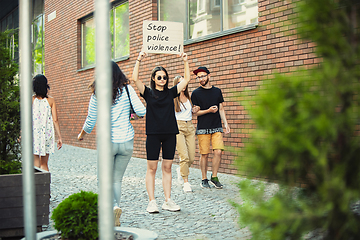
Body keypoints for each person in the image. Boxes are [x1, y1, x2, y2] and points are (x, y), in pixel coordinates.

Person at [77, 61, 146, 226]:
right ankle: (115, 211)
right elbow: (142, 111)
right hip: (127, 142)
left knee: (104, 179)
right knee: (116, 180)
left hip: (108, 142)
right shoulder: (128, 89)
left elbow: (91, 120)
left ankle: (112, 207)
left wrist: (82, 134)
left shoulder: (97, 93)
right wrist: (130, 113)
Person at [132, 50, 190, 213]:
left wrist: (185, 61)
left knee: (167, 167)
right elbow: (134, 78)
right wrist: (139, 59)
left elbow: (186, 80)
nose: (162, 79)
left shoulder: (171, 92)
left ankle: (168, 200)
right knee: (152, 168)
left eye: (164, 77)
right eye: (159, 77)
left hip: (170, 134)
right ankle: (152, 202)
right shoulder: (148, 93)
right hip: (153, 135)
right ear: (153, 78)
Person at [191, 66, 230, 189]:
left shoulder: (217, 91)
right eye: (198, 77)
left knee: (218, 151)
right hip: (203, 127)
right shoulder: (195, 93)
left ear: (209, 75)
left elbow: (221, 108)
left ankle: (214, 176)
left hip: (216, 126)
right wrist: (208, 110)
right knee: (204, 154)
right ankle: (204, 178)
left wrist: (226, 124)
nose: (200, 79)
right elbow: (195, 113)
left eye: (202, 76)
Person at [173, 75, 199, 192]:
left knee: (191, 157)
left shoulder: (189, 97)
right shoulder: (173, 98)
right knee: (184, 156)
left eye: (184, 82)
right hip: (178, 127)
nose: (183, 85)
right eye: (180, 82)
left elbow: (191, 112)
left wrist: (194, 110)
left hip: (190, 127)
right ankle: (186, 182)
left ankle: (181, 170)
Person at [32, 74, 63, 172]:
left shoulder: (31, 100)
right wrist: (59, 137)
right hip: (47, 134)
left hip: (34, 135)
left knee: (35, 163)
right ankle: (45, 186)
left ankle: (36, 186)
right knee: (44, 164)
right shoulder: (51, 100)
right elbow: (55, 120)